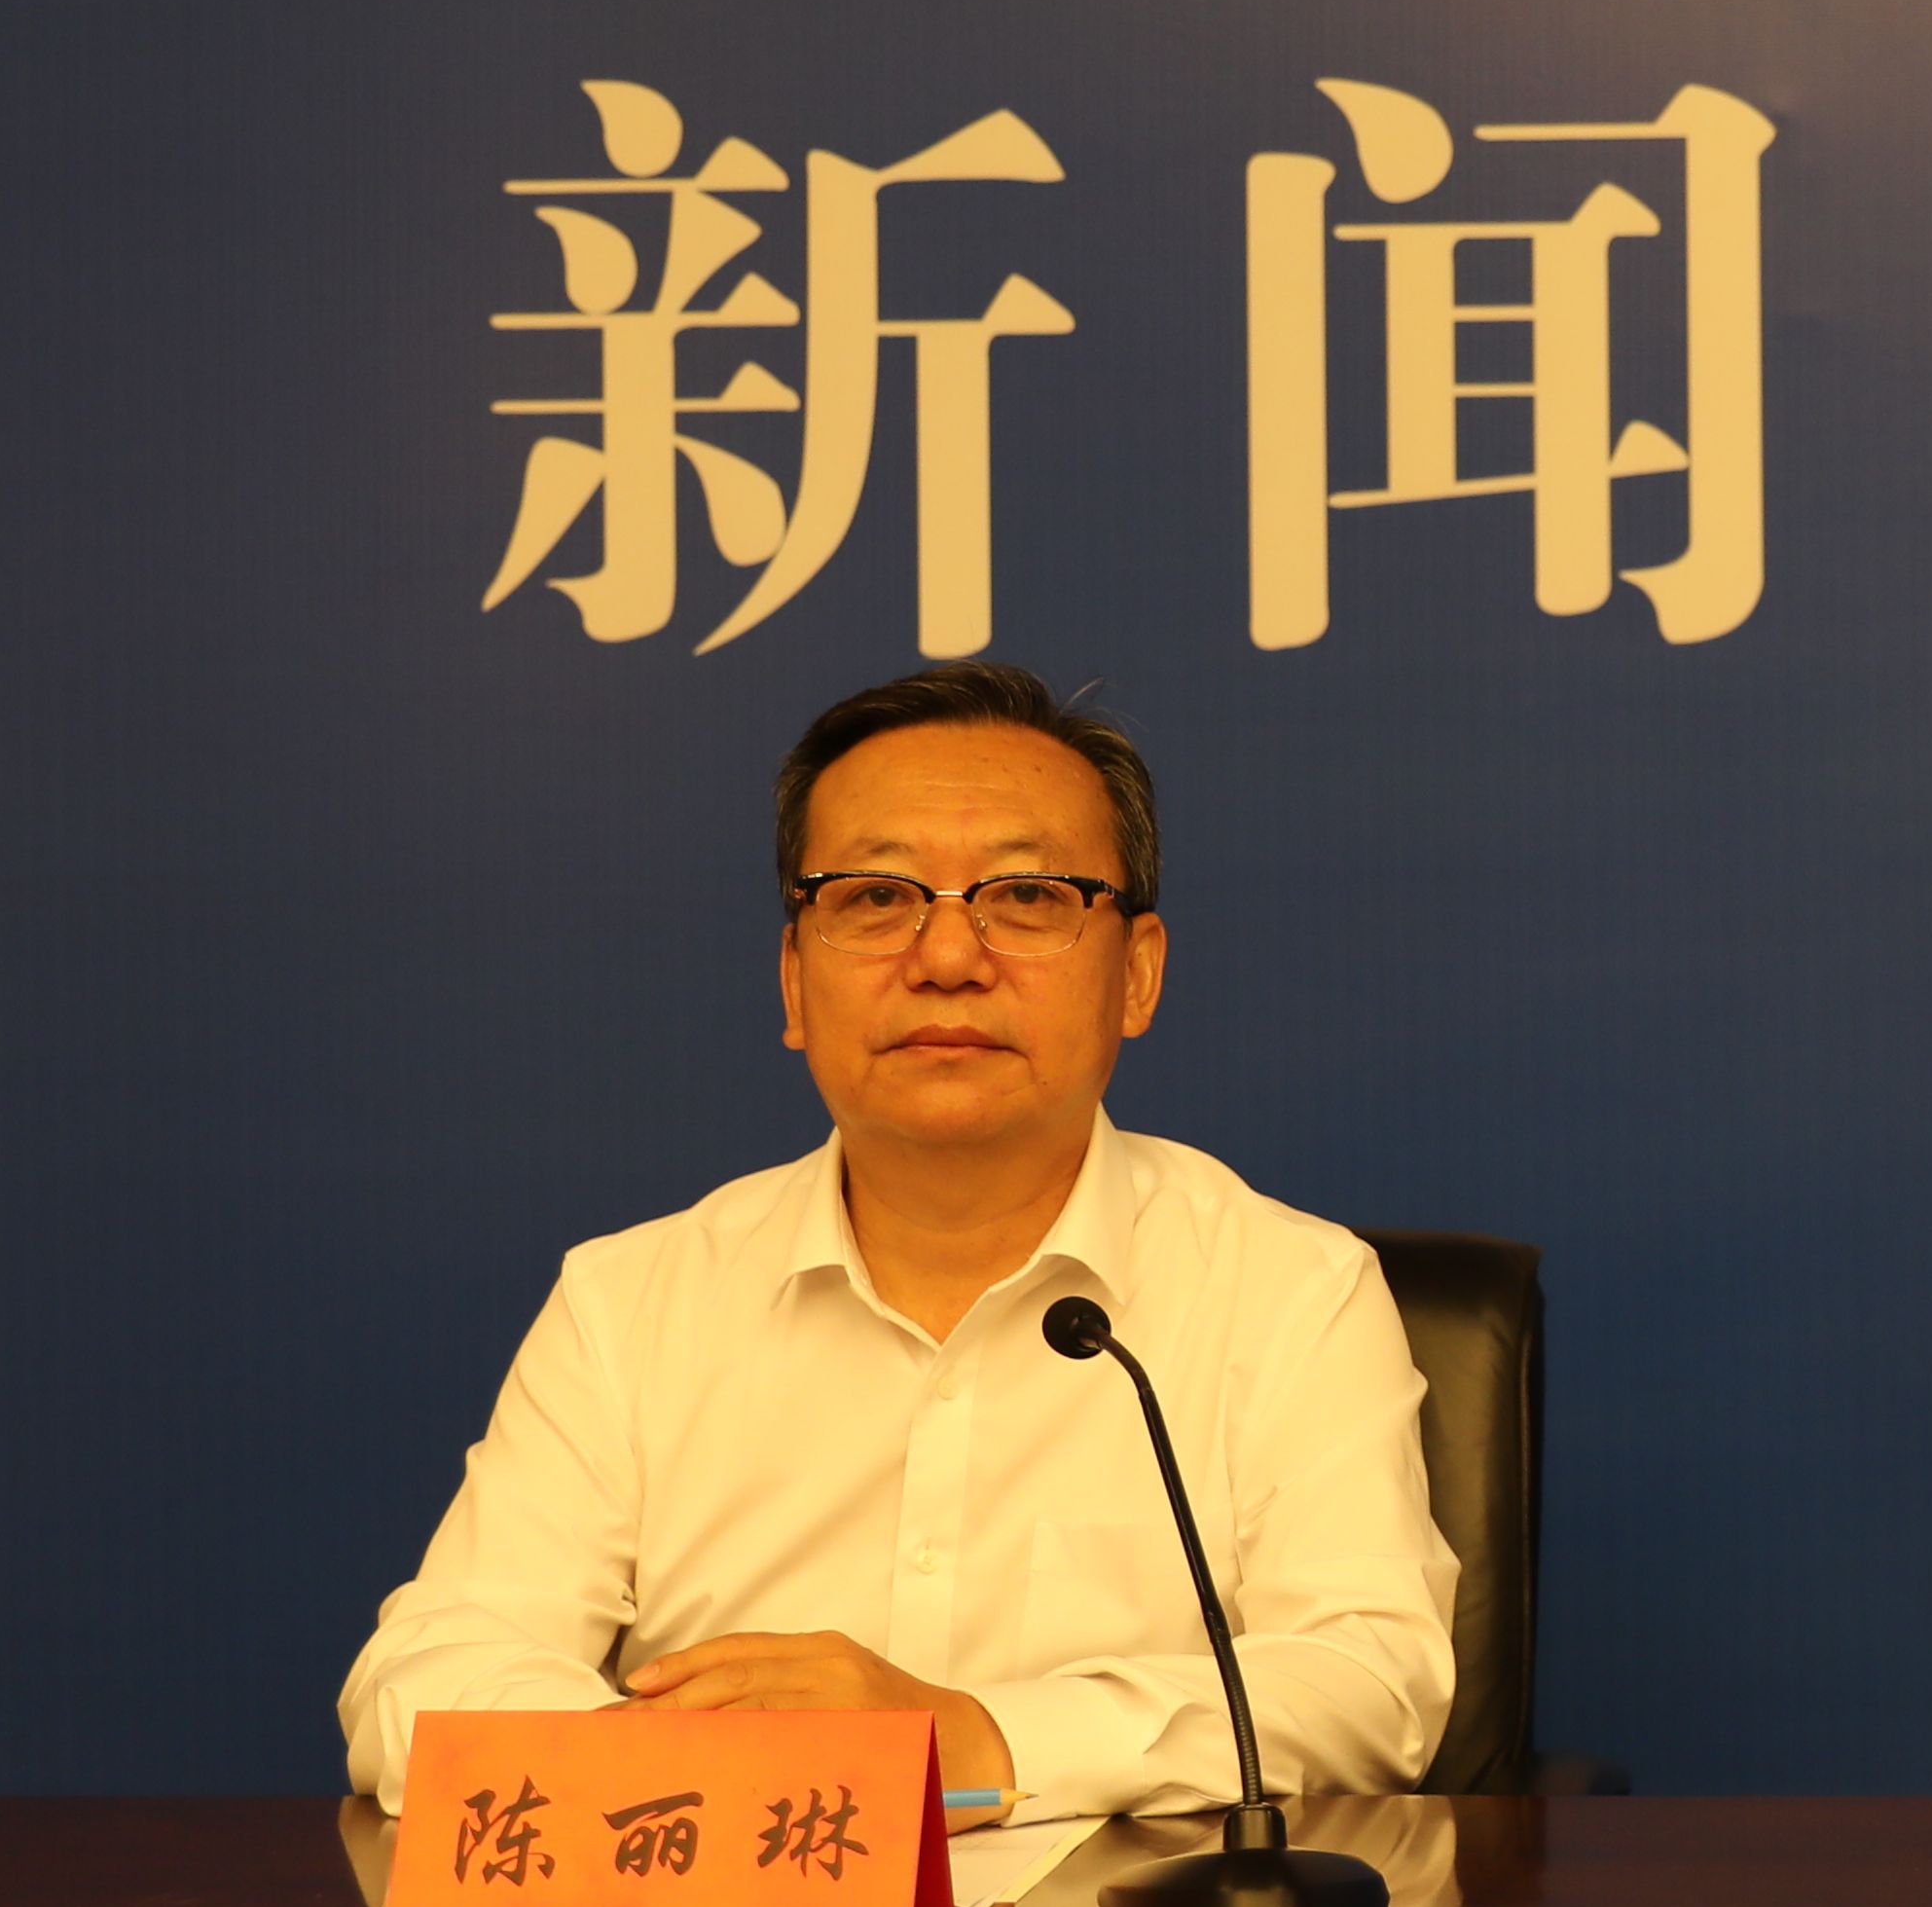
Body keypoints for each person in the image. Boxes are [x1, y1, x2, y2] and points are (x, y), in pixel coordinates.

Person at [342, 664, 1450, 1823]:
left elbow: (1371, 1682)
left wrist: (975, 1741)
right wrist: (684, 1774)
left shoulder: (1289, 1291)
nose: (949, 957)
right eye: (875, 897)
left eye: (1028, 896)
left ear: (1138, 974)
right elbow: (426, 1675)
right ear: (793, 982)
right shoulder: (631, 1303)